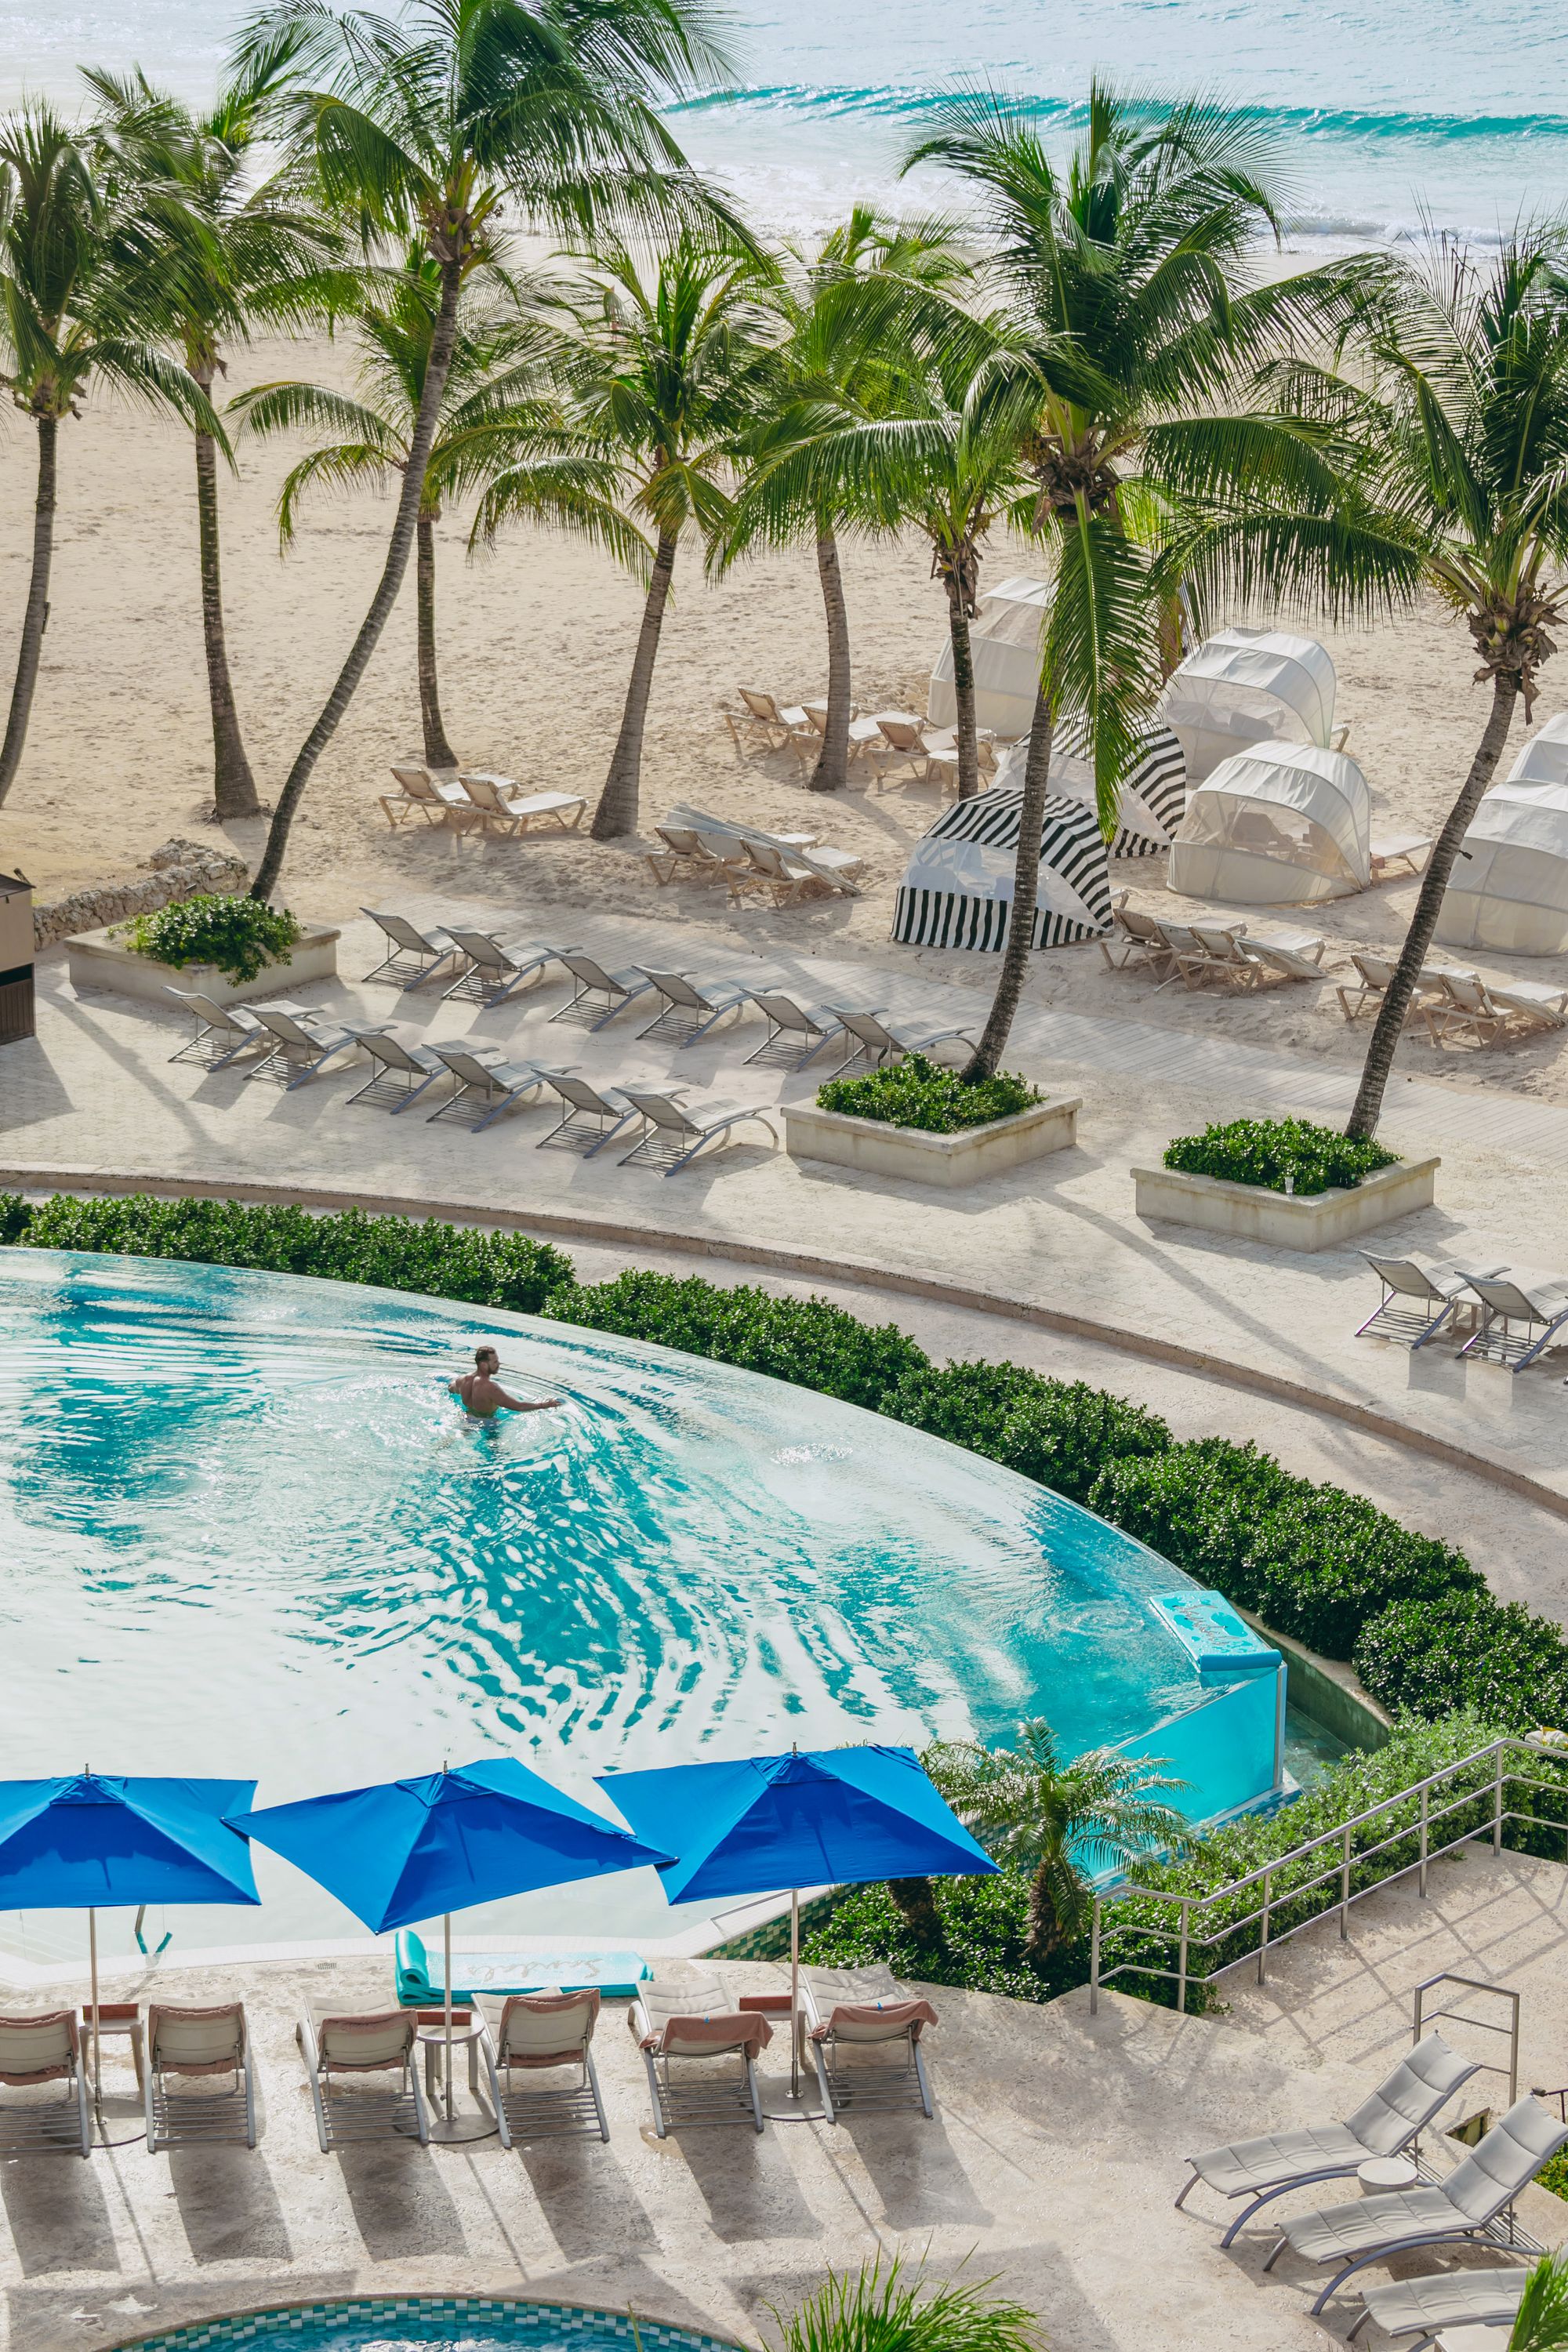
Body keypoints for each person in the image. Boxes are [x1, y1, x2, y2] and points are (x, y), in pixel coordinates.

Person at [448, 1347, 561, 1421]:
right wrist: (545, 1405)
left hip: (466, 1418)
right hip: (487, 1423)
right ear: (483, 1365)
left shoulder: (463, 1380)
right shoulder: (491, 1388)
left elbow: (450, 1388)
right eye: (495, 1362)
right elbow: (519, 1407)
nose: (499, 1364)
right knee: (495, 1453)